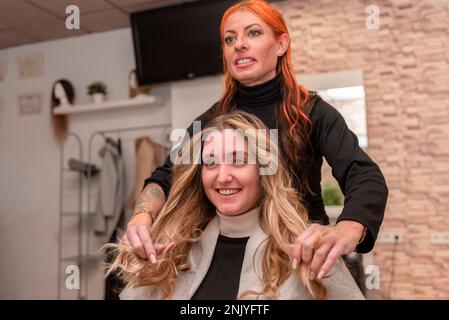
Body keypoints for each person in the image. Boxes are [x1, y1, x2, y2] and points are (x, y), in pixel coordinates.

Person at [124, 0, 388, 282]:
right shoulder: (212, 121)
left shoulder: (312, 113)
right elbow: (166, 175)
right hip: (229, 257)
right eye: (229, 38)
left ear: (281, 44)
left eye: (253, 33)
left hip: (298, 256)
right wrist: (142, 216)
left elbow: (364, 174)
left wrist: (349, 226)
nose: (238, 44)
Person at [105, 111, 364, 300]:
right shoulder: (175, 250)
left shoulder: (307, 252)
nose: (222, 176)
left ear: (263, 172)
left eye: (238, 161)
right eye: (211, 163)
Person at [50, 79, 74, 143]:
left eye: (59, 89)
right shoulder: (56, 110)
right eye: (55, 89)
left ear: (66, 90)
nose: (56, 91)